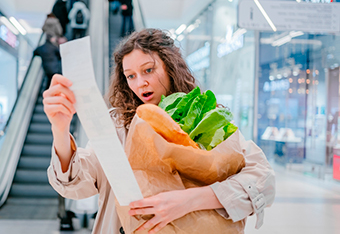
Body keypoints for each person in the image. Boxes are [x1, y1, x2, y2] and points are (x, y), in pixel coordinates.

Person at [44, 29, 275, 233]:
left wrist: (190, 200)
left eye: (148, 70)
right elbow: (76, 183)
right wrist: (60, 129)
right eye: (131, 76)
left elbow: (263, 180)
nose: (140, 83)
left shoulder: (205, 117)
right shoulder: (117, 126)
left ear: (170, 66)